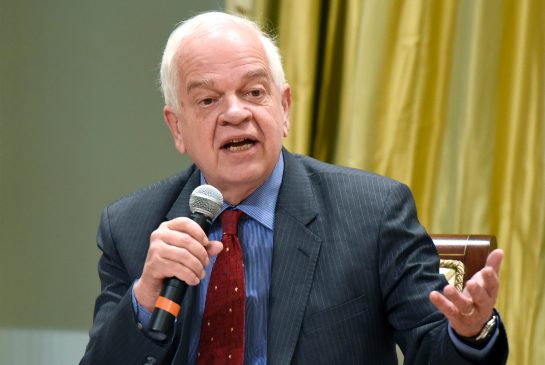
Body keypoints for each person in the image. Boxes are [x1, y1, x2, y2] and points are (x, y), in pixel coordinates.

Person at [80, 11, 508, 365]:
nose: (235, 113)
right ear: (177, 128)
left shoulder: (373, 214)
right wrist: (144, 296)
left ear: (283, 109)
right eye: (209, 100)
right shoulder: (132, 227)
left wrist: (471, 333)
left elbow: (434, 347)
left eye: (253, 92)